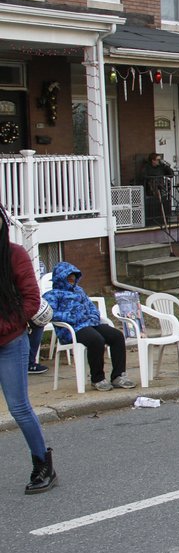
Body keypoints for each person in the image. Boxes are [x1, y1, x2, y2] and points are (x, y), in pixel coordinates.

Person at [0, 202, 57, 494]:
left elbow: (31, 301)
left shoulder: (14, 255)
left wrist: (7, 327)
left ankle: (42, 464)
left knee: (19, 408)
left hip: (10, 343)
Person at [44, 262, 134, 391]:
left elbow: (91, 307)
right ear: (60, 278)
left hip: (89, 324)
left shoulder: (79, 291)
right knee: (96, 340)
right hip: (71, 329)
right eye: (68, 277)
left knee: (117, 336)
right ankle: (97, 378)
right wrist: (72, 317)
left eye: (73, 277)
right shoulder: (52, 295)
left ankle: (118, 376)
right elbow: (51, 314)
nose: (72, 280)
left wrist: (93, 317)